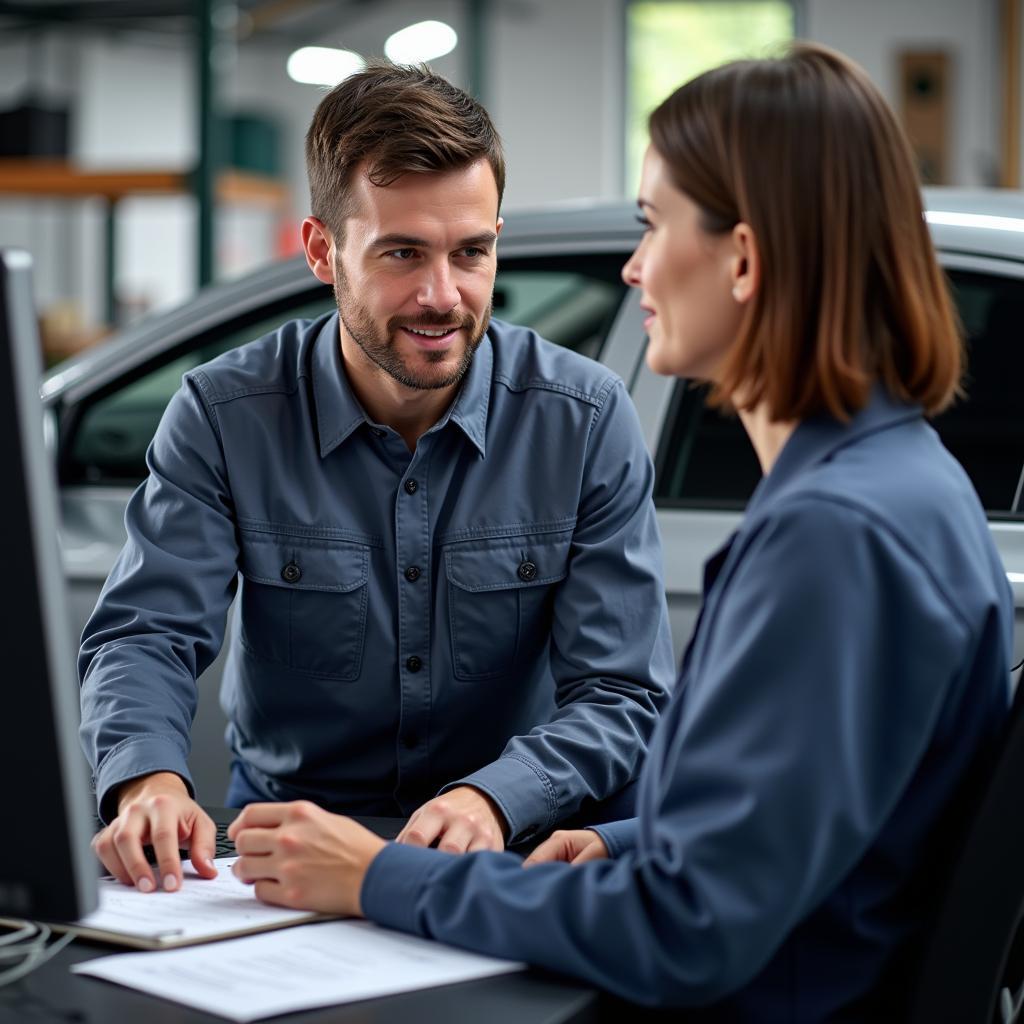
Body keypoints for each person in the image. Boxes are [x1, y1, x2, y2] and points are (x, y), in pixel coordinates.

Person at [226, 42, 1014, 1019]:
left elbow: (687, 927)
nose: (635, 267)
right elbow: (809, 827)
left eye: (652, 225)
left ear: (743, 257)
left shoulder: (837, 537)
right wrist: (629, 840)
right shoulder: (896, 484)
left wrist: (379, 876)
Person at [81, 62, 674, 895]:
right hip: (291, 847)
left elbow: (619, 691)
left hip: (506, 849)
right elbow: (146, 633)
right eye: (403, 253)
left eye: (473, 253)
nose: (444, 296)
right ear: (323, 250)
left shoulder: (584, 417)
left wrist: (493, 798)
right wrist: (147, 778)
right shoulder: (224, 413)